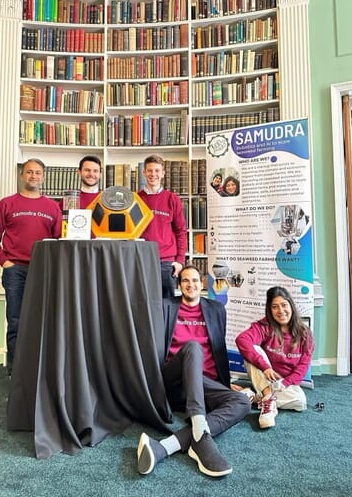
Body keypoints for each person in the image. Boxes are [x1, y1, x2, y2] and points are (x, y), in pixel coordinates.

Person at [137, 265, 251, 477]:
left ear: (202, 284)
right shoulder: (165, 307)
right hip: (174, 381)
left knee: (242, 402)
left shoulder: (216, 309)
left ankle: (166, 446)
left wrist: (224, 386)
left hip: (203, 383)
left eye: (195, 280)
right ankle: (199, 428)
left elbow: (219, 348)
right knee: (192, 348)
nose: (191, 285)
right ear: (179, 285)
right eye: (186, 281)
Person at [0, 159, 62, 375]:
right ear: (22, 176)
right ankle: (16, 372)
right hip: (15, 271)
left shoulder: (52, 207)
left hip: (43, 270)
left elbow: (58, 241)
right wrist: (4, 262)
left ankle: (40, 370)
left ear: (43, 177)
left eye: (37, 172)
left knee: (44, 322)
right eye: (29, 172)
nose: (33, 176)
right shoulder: (7, 204)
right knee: (16, 321)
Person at [235, 286, 314, 429]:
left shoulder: (305, 333)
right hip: (264, 378)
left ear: (291, 305)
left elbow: (303, 366)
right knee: (253, 350)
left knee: (300, 402)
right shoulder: (264, 326)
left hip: (284, 384)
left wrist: (285, 383)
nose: (281, 311)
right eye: (275, 307)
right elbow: (242, 340)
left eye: (284, 305)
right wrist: (265, 367)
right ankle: (267, 398)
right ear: (270, 310)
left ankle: (256, 398)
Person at [138, 154, 187, 298]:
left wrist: (179, 261)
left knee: (167, 305)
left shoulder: (172, 199)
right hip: (141, 260)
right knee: (142, 302)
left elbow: (180, 231)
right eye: (150, 170)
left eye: (157, 171)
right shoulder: (136, 199)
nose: (153, 174)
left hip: (166, 263)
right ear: (144, 172)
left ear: (163, 173)